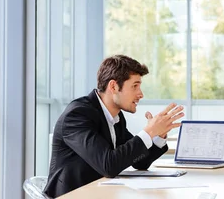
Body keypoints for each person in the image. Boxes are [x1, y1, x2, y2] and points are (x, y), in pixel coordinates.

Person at [44, 55, 184, 197]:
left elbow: (140, 162)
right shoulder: (77, 115)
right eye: (135, 86)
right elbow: (108, 165)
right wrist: (149, 131)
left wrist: (158, 135)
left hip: (100, 193)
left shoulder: (115, 117)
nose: (140, 94)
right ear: (113, 86)